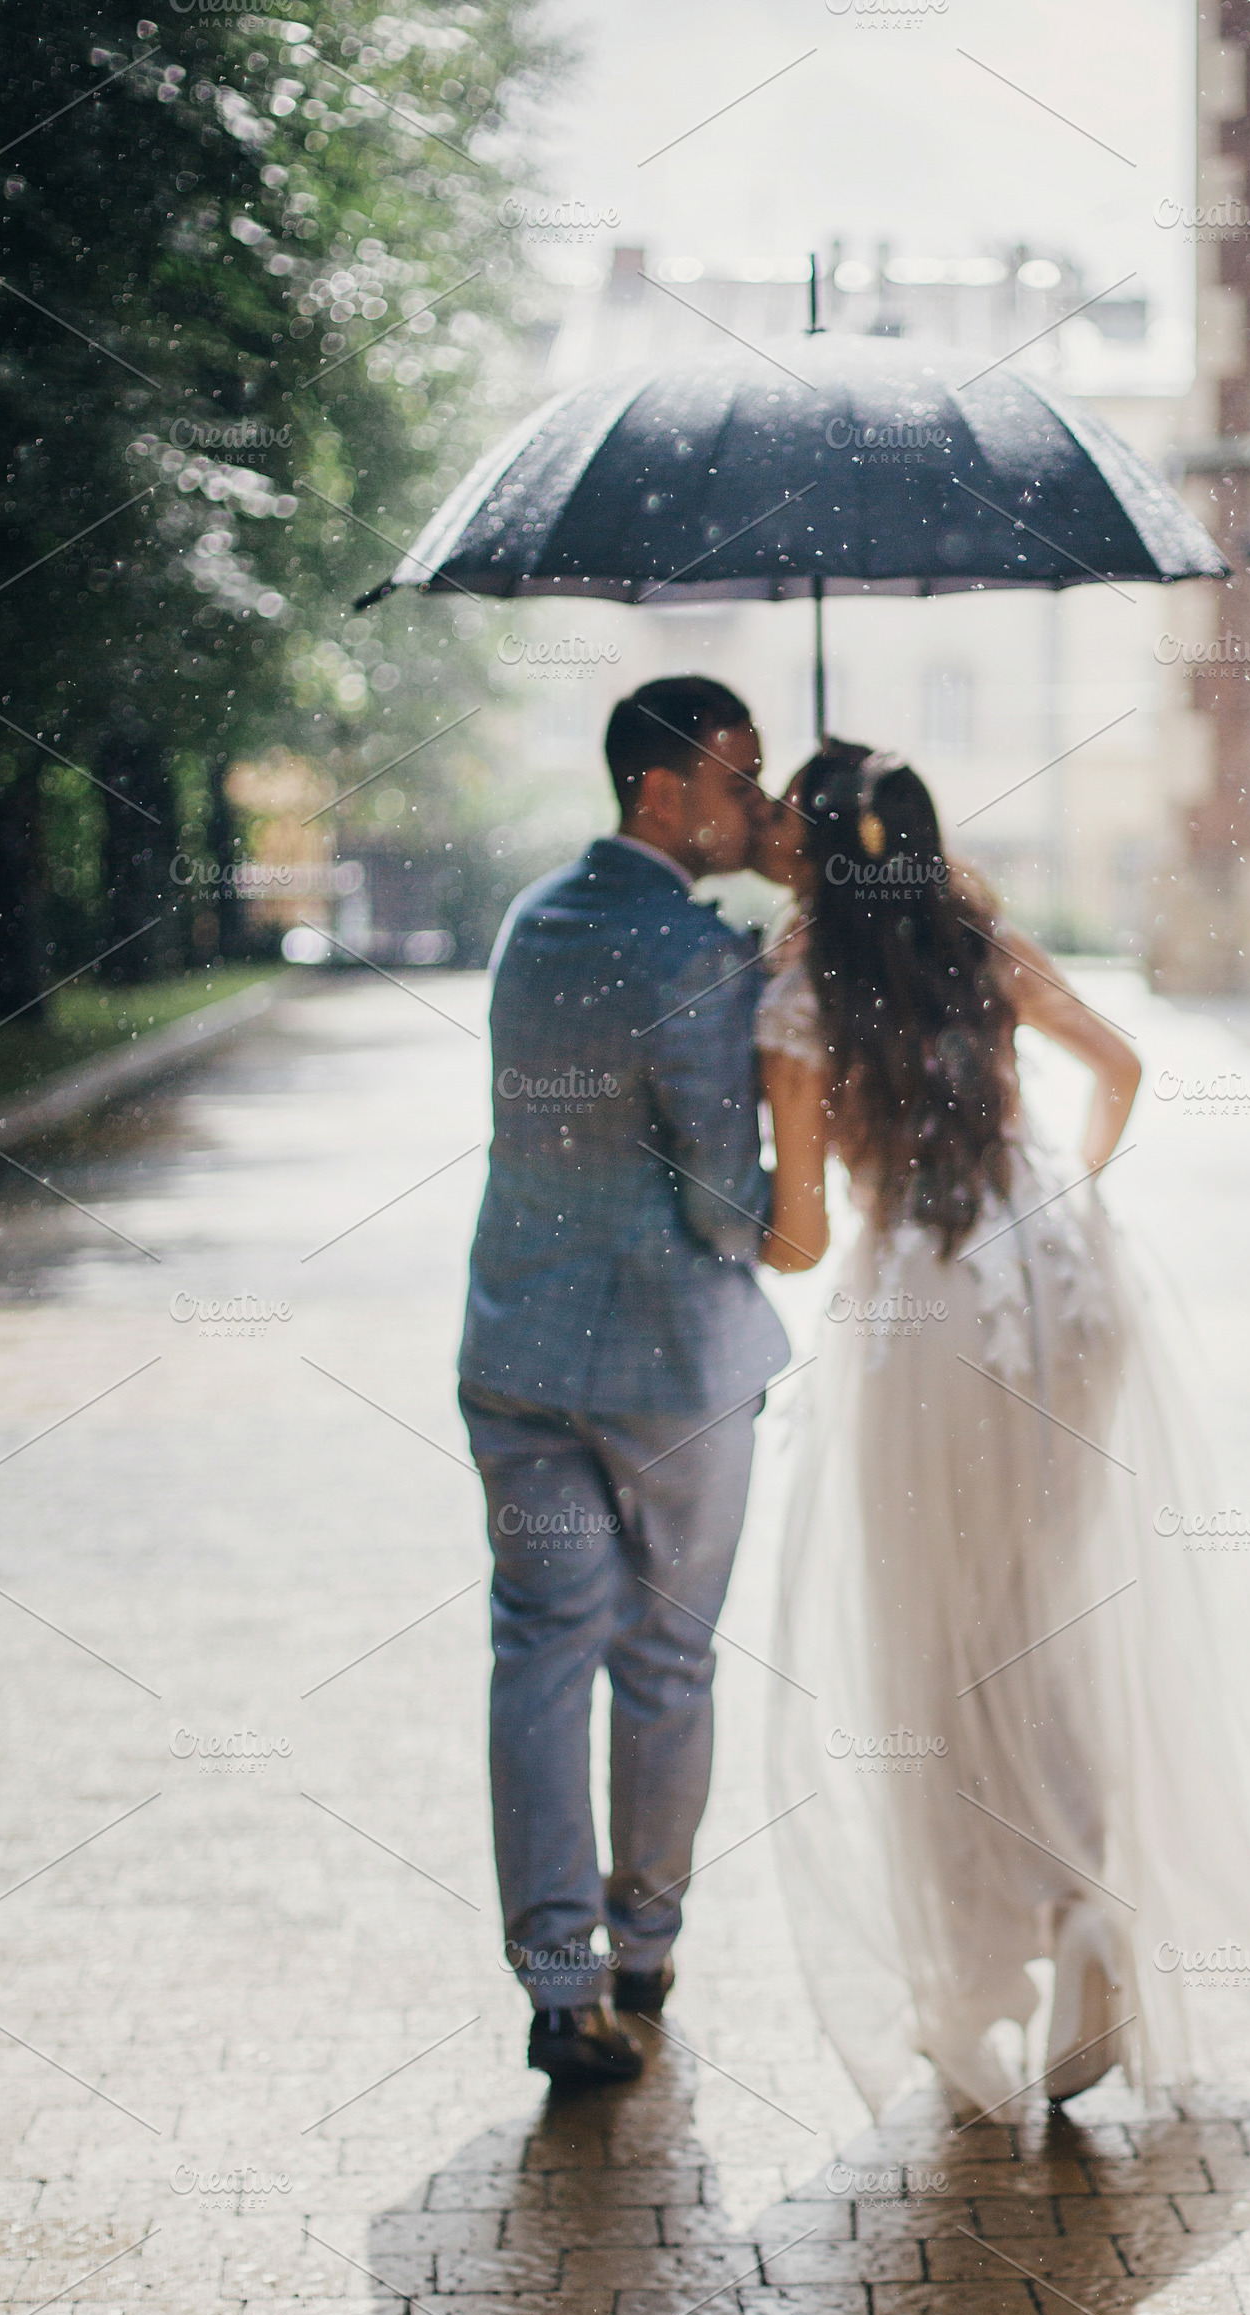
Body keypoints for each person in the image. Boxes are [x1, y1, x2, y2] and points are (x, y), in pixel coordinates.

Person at [752, 741, 1250, 2118]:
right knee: (1041, 1611)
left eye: (785, 814)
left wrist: (765, 1204)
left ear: (817, 849)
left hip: (924, 1309)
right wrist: (1058, 1196)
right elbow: (1117, 1065)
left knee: (934, 1642)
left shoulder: (799, 981)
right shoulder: (976, 935)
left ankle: (1006, 1955)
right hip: (1060, 1279)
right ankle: (1082, 1898)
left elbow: (805, 1228)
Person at [459, 676, 787, 2093]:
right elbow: (727, 1204)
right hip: (670, 1367)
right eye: (738, 777)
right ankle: (644, 1945)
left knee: (541, 1648)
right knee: (663, 1655)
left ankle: (557, 1980)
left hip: (519, 1350)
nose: (756, 804)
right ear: (663, 791)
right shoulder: (698, 960)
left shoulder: (534, 922)